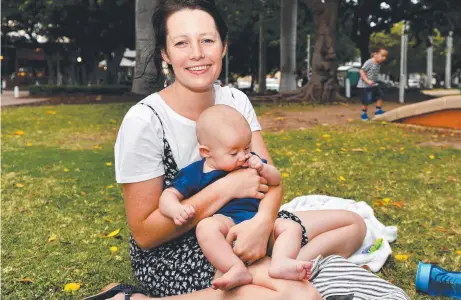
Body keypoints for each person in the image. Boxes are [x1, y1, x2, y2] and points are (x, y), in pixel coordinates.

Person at [85, 0, 416, 299]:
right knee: (299, 298)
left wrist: (262, 225)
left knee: (352, 225)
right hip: (182, 247)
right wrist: (227, 187)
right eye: (182, 43)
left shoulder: (235, 101)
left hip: (246, 223)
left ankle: (273, 269)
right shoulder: (145, 121)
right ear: (165, 54)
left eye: (207, 40)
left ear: (224, 46)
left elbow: (272, 182)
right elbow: (145, 234)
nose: (197, 53)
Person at [159, 105, 312, 291]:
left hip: (257, 223)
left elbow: (276, 180)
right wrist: (175, 209)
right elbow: (168, 195)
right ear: (207, 152)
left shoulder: (251, 162)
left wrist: (264, 169)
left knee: (291, 227)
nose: (243, 156)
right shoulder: (195, 173)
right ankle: (234, 267)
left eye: (247, 148)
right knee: (206, 228)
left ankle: (281, 262)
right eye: (234, 153)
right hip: (226, 223)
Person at [357, 47, 389, 121]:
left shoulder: (378, 63)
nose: (384, 58)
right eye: (382, 55)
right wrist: (367, 80)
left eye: (385, 56)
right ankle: (363, 114)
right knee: (366, 101)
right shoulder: (370, 62)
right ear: (375, 54)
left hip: (373, 84)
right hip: (364, 85)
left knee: (381, 95)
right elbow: (361, 71)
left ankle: (378, 110)